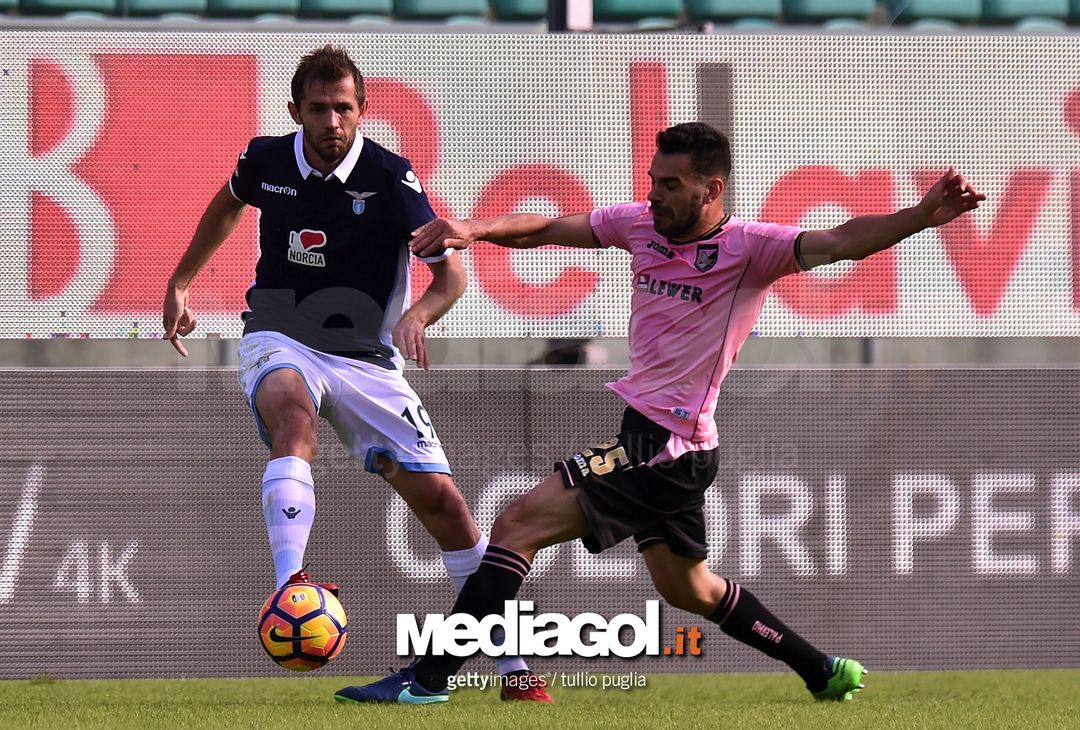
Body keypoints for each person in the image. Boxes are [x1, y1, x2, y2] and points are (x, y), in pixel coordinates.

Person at [334, 122, 986, 706]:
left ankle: (427, 680)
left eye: (670, 185)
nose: (655, 195)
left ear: (712, 190)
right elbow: (550, 227)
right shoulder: (640, 227)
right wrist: (473, 229)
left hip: (666, 444)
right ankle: (820, 670)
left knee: (515, 525)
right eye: (652, 180)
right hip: (662, 444)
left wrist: (922, 215)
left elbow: (845, 240)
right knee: (689, 590)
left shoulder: (750, 249)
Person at [162, 45, 551, 703]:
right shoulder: (264, 160)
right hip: (280, 333)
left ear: (363, 110)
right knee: (293, 418)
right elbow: (227, 205)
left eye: (344, 107)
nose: (332, 120)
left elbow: (451, 270)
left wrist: (422, 314)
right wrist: (180, 282)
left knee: (447, 510)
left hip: (368, 359)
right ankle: (292, 582)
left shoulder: (391, 177)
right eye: (319, 108)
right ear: (296, 111)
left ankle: (513, 665)